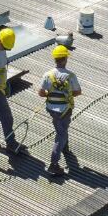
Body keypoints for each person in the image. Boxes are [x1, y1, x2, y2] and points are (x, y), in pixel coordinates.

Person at [38, 45, 82, 177]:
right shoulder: (70, 76)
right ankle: (54, 164)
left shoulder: (48, 75)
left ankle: (65, 147)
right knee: (61, 135)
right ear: (65, 59)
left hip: (51, 109)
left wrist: (51, 95)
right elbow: (78, 92)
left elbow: (41, 92)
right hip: (65, 109)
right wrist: (66, 95)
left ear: (55, 59)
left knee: (61, 128)